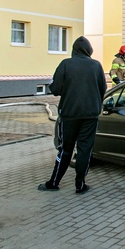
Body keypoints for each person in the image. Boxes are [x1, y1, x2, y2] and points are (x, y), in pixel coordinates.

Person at [39, 36, 107, 194]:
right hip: (90, 115)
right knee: (85, 150)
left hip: (69, 115)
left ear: (74, 50)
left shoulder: (66, 64)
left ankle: (54, 183)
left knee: (65, 150)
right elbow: (102, 89)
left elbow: (55, 89)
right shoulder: (96, 66)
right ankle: (80, 185)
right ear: (89, 50)